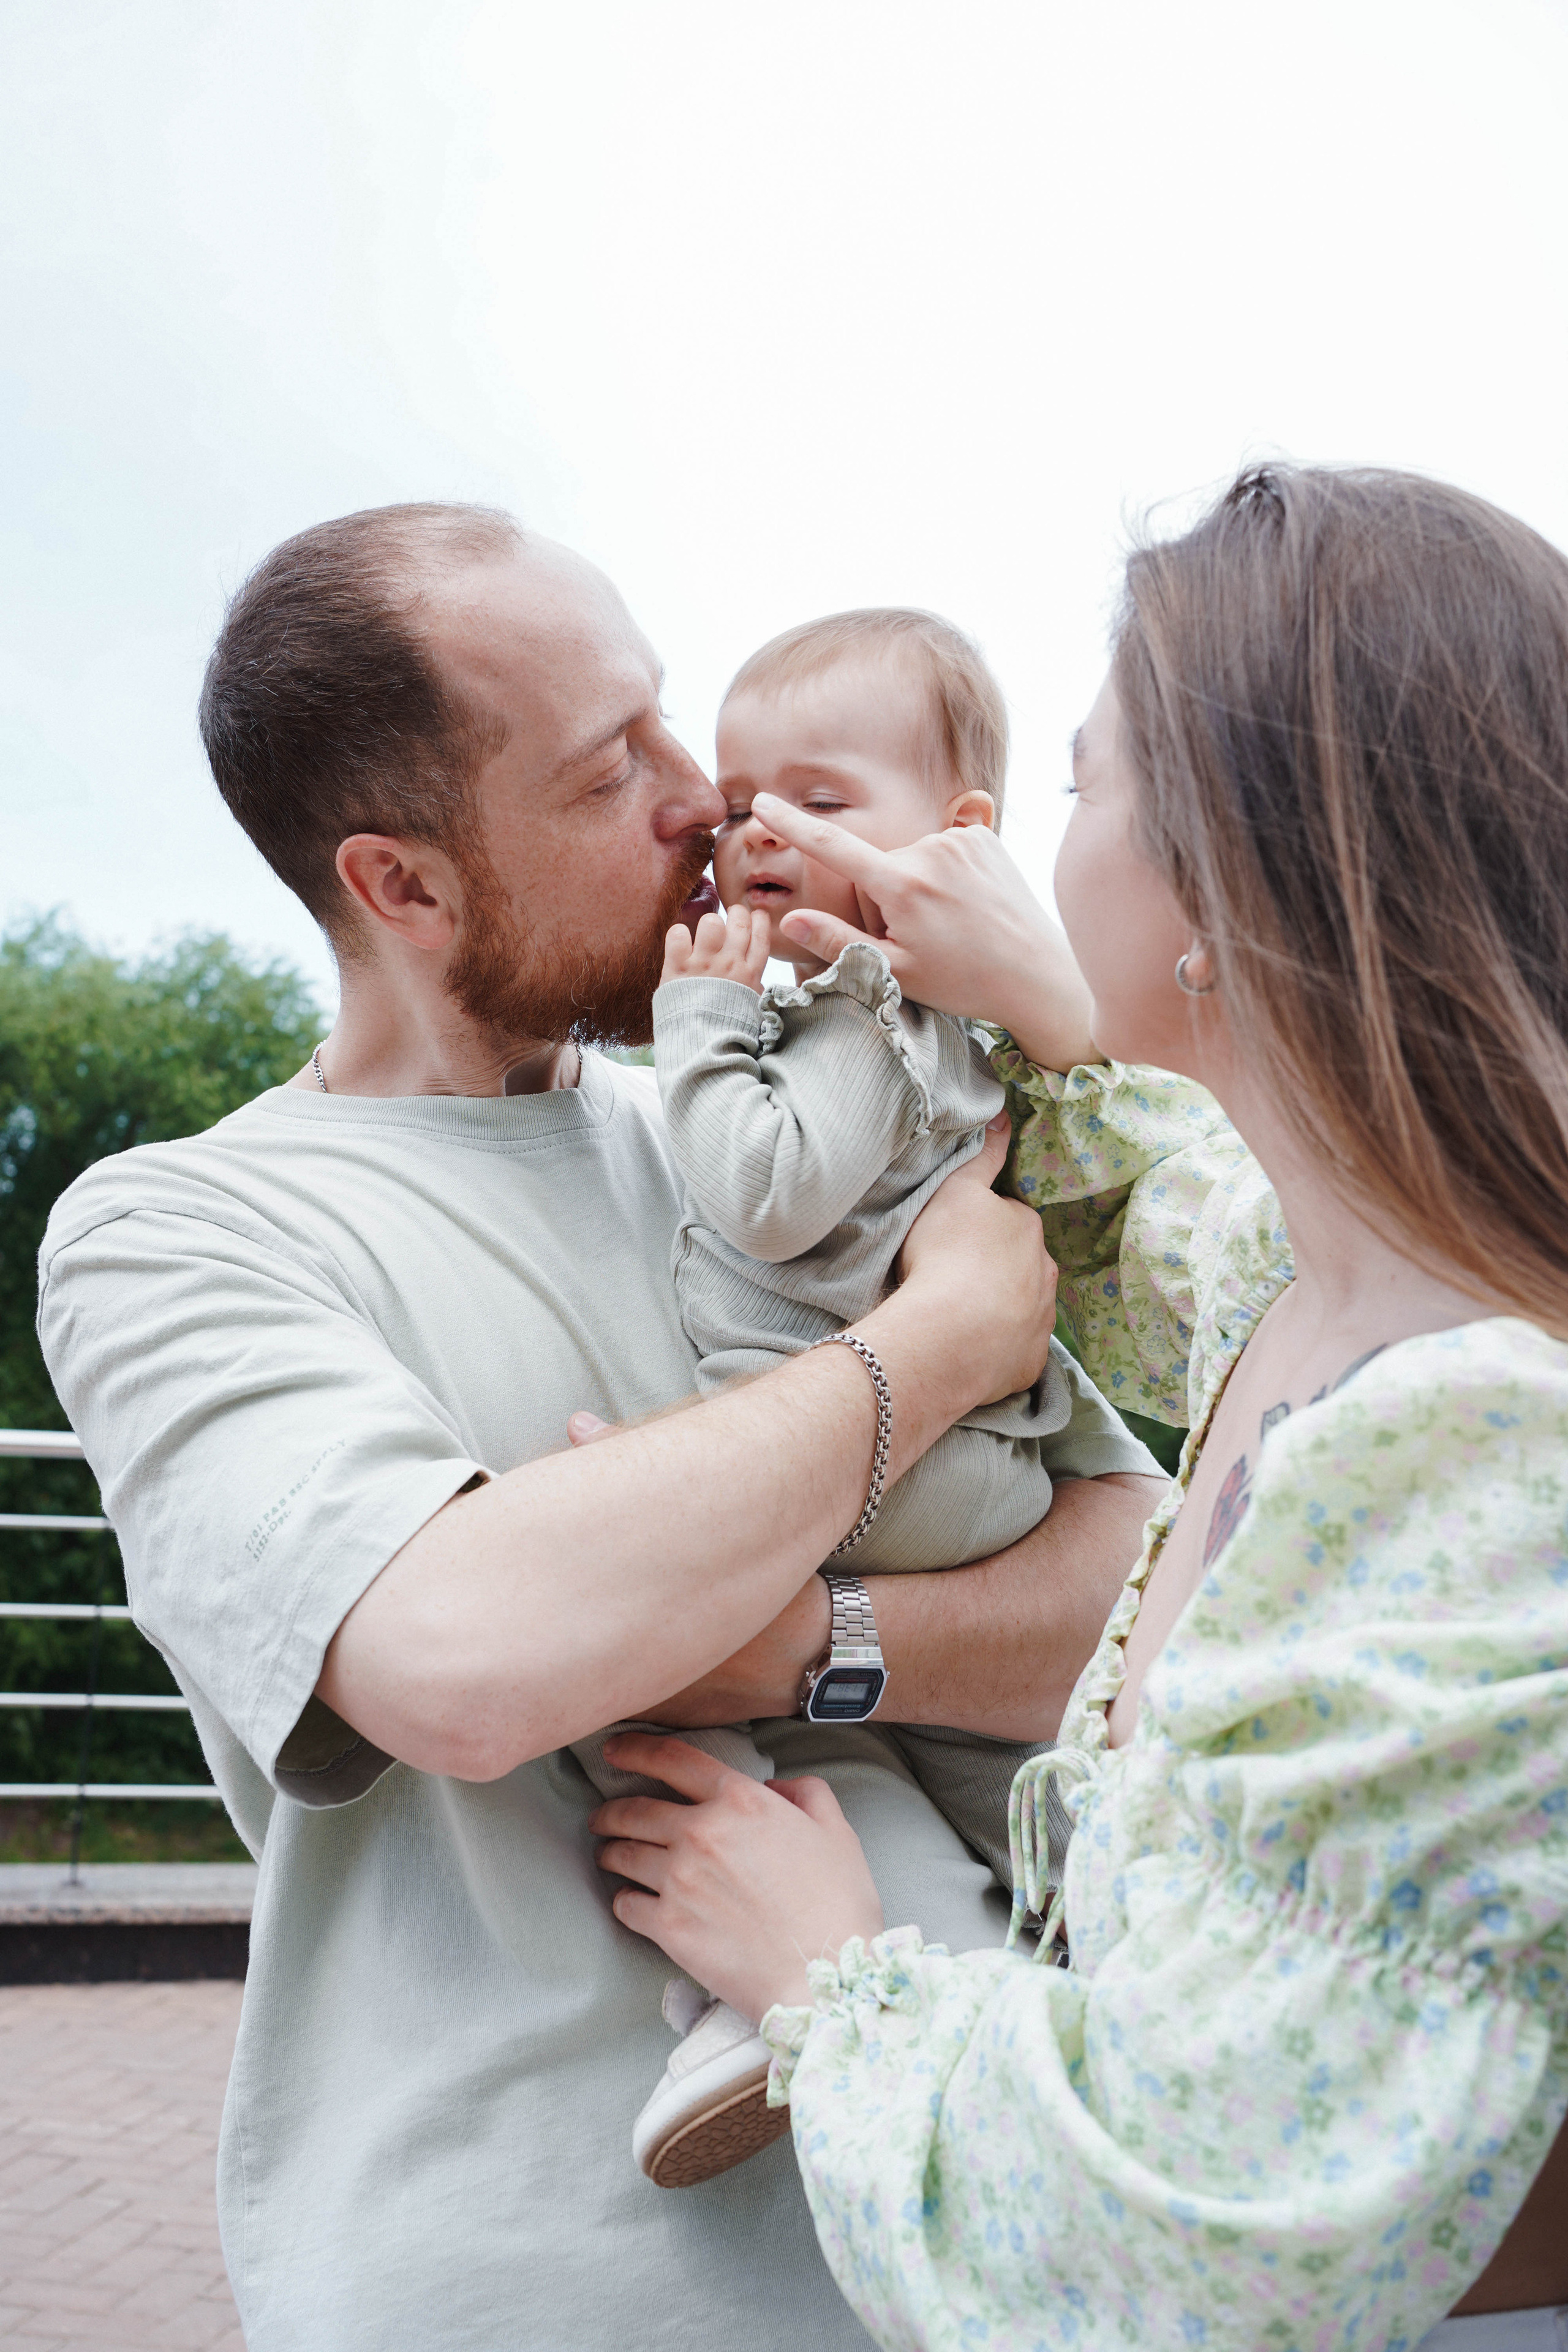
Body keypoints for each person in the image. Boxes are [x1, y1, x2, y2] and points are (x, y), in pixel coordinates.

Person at [36, 503, 1164, 2352]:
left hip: (960, 2265)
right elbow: (461, 1657)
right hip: (521, 2293)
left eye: (666, 725)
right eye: (603, 771)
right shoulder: (182, 1229)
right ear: (399, 885)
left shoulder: (792, 1119)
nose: (695, 799)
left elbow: (1136, 1585)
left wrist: (806, 1644)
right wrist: (939, 1350)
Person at [586, 465, 1568, 2351]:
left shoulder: (1471, 1438)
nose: (1030, 844)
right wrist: (1019, 1011)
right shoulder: (1323, 1295)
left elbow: (1180, 2239)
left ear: (1238, 872)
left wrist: (833, 1972)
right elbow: (1160, 1204)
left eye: (1082, 785)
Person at [571, 609, 1158, 2188]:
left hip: (887, 1465)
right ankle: (1035, 1977)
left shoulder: (870, 1009)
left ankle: (743, 1997)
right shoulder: (908, 1020)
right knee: (1000, 1793)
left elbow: (766, 1193)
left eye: (824, 802)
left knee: (640, 1612)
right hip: (965, 1460)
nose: (763, 828)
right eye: (748, 794)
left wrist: (695, 1020)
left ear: (957, 841)